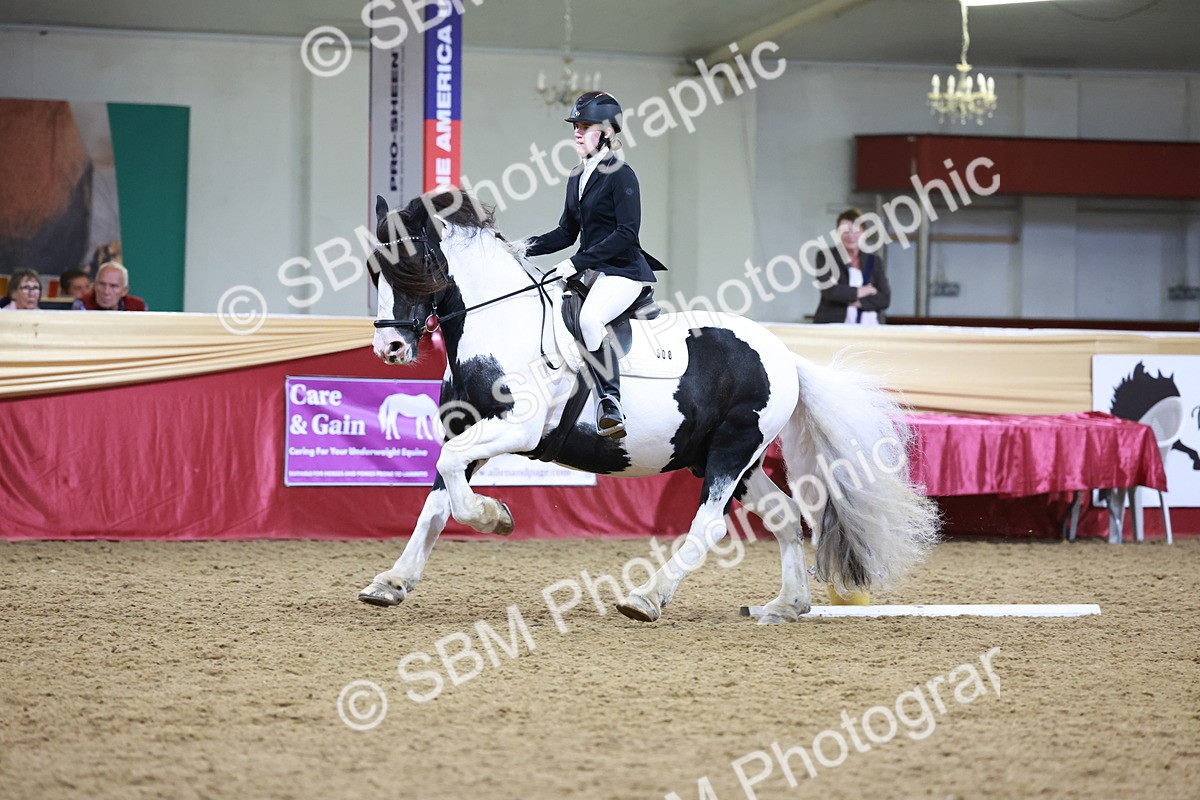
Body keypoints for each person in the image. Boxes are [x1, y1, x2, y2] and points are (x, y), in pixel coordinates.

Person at [526, 91, 663, 438]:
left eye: (585, 126)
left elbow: (626, 233)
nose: (576, 132)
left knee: (589, 318)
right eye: (575, 126)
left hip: (623, 270)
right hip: (591, 269)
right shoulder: (577, 176)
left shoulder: (621, 174)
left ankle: (610, 403)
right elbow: (565, 232)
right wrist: (521, 248)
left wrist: (576, 263)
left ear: (605, 131)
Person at [812, 208, 891, 325]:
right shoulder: (826, 256)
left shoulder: (874, 261)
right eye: (845, 231)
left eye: (855, 230)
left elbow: (884, 299)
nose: (850, 235)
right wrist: (866, 290)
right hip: (833, 327)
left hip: (870, 329)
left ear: (864, 232)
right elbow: (830, 292)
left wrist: (849, 298)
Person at [73, 261, 148, 311]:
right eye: (102, 284)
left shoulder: (138, 306)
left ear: (124, 290)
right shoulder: (83, 304)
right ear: (95, 286)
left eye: (113, 286)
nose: (106, 291)